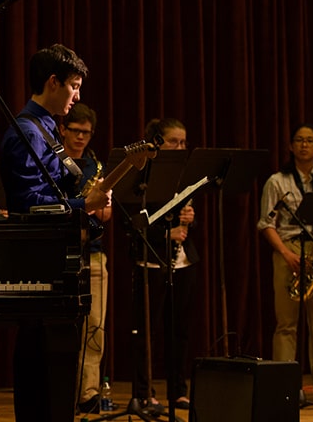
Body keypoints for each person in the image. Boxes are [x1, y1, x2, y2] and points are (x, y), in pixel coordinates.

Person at [0, 43, 111, 421]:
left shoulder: (46, 127)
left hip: (54, 256)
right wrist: (86, 204)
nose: (77, 95)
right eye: (74, 86)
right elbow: (31, 204)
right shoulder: (28, 132)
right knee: (40, 357)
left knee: (54, 358)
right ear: (53, 82)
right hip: (38, 260)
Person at [257, 123, 313, 404]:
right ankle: (285, 384)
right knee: (286, 325)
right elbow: (266, 224)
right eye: (299, 140)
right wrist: (285, 253)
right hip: (288, 250)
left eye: (310, 141)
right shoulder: (276, 181)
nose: (304, 145)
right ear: (291, 147)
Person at [130, 117, 197, 414]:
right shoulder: (143, 173)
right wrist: (165, 232)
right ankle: (144, 392)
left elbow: (183, 215)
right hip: (151, 259)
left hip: (182, 260)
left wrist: (189, 219)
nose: (180, 147)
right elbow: (132, 222)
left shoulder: (183, 174)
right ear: (157, 141)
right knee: (147, 332)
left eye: (183, 142)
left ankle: (177, 390)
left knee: (178, 330)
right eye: (174, 141)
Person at [59, 103, 113, 415]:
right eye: (76, 131)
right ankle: (63, 392)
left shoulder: (96, 166)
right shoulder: (55, 163)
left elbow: (106, 213)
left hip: (92, 255)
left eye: (87, 133)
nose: (81, 137)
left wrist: (93, 207)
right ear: (64, 129)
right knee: (64, 328)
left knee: (95, 328)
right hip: (60, 253)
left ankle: (88, 393)